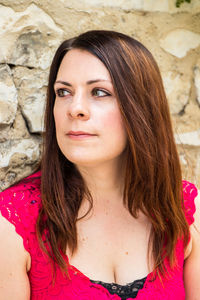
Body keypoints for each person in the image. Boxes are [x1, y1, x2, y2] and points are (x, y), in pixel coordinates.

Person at [0, 30, 199, 300]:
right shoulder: (13, 222)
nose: (75, 108)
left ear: (141, 107)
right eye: (63, 92)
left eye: (100, 92)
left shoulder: (185, 211)